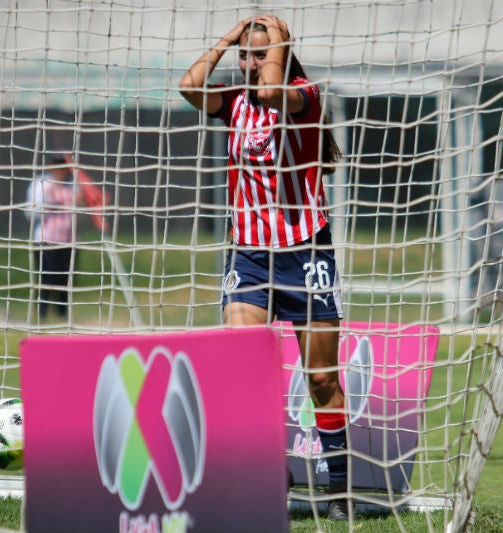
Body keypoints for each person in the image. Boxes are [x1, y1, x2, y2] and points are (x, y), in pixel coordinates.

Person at [179, 14, 350, 520]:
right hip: (250, 257)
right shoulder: (232, 100)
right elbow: (189, 87)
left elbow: (273, 92)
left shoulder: (304, 93)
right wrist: (229, 39)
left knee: (321, 379)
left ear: (280, 52)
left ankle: (338, 488)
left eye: (260, 54)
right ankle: (272, 472)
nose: (251, 64)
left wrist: (275, 38)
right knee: (242, 367)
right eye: (245, 56)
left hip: (306, 250)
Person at [25, 154, 80, 320]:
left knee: (65, 281)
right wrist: (49, 205)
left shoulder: (73, 185)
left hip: (69, 240)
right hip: (46, 240)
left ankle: (63, 316)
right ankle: (42, 315)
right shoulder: (42, 184)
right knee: (46, 279)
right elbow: (30, 212)